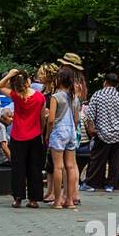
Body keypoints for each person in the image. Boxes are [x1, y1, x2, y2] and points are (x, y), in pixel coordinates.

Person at [0, 68, 45, 208]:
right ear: (28, 81)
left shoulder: (15, 96)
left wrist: (10, 74)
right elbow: (42, 117)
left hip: (18, 135)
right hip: (35, 135)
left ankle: (17, 197)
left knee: (18, 167)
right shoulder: (40, 97)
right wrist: (41, 131)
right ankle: (34, 199)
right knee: (34, 168)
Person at [83, 73, 119, 193]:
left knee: (97, 160)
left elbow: (90, 116)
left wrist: (91, 129)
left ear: (105, 82)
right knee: (115, 161)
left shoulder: (98, 95)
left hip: (102, 133)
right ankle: (110, 185)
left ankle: (93, 183)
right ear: (117, 84)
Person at [47, 65, 81, 209]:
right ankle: (70, 200)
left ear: (59, 80)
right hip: (71, 131)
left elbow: (51, 119)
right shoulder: (75, 98)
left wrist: (48, 134)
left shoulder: (55, 97)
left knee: (58, 167)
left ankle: (57, 201)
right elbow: (77, 118)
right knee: (71, 166)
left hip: (59, 131)